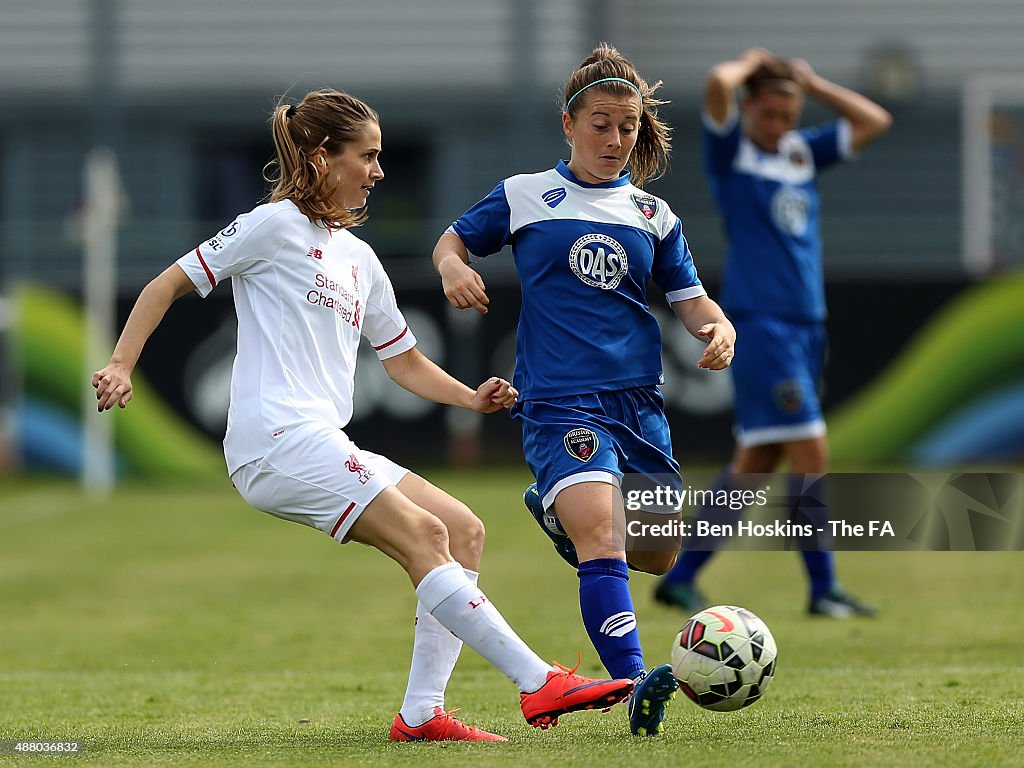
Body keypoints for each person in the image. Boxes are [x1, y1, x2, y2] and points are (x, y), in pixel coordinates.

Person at [91, 88, 636, 743]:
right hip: (273, 440)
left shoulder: (360, 259)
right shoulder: (272, 226)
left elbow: (403, 362)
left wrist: (470, 397)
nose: (379, 171)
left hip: (318, 438)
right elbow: (167, 283)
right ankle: (537, 680)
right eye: (367, 156)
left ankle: (421, 714)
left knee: (462, 530)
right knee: (425, 537)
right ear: (323, 157)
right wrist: (121, 363)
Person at [433, 45, 736, 736]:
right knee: (602, 539)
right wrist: (452, 268)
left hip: (639, 403)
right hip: (559, 400)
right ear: (569, 125)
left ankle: (554, 514)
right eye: (600, 124)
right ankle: (635, 684)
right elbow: (450, 243)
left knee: (657, 553)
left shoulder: (653, 214)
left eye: (627, 127)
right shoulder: (523, 194)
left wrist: (721, 329)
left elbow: (692, 301)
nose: (615, 139)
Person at [654, 49, 892, 618]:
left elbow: (875, 121)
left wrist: (813, 82)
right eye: (769, 113)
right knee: (810, 450)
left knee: (756, 463)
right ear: (749, 107)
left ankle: (680, 577)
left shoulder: (799, 152)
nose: (780, 124)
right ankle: (824, 589)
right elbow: (717, 81)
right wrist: (749, 64)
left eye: (790, 114)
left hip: (807, 323)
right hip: (762, 323)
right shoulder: (732, 151)